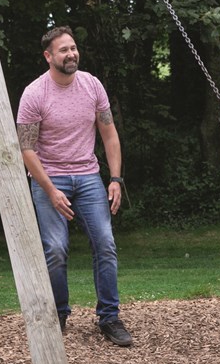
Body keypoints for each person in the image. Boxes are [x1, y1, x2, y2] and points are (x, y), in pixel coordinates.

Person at [16, 26, 133, 347]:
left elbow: (109, 134)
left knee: (106, 244)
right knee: (55, 249)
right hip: (48, 179)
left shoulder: (92, 85)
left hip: (88, 177)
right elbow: (26, 150)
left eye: (73, 48)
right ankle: (59, 314)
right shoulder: (34, 94)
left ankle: (109, 317)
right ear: (48, 56)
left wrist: (115, 178)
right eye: (63, 50)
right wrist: (50, 190)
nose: (71, 54)